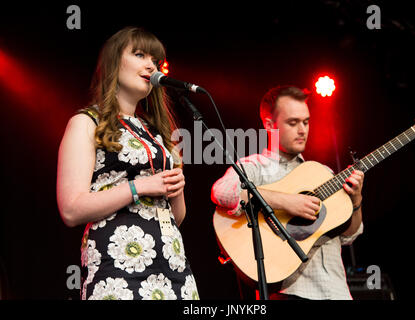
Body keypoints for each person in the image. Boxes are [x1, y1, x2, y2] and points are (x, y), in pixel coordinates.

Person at [57, 26, 199, 300]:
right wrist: (140, 187)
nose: (151, 65)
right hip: (118, 270)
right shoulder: (86, 123)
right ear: (113, 63)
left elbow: (176, 218)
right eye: (139, 54)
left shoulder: (158, 134)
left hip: (173, 267)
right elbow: (71, 209)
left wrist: (176, 189)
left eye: (155, 61)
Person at [211, 85, 364, 300]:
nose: (302, 130)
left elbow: (349, 236)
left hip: (337, 291)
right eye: (293, 122)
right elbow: (223, 192)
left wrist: (356, 200)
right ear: (270, 125)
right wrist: (285, 201)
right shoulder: (254, 166)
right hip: (289, 292)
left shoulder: (322, 172)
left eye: (306, 122)